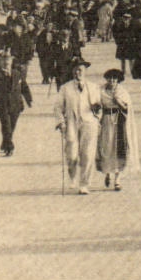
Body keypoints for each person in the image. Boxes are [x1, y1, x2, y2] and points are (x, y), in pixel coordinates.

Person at [55, 57, 102, 195]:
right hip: (71, 124)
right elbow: (58, 107)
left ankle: (84, 184)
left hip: (89, 124)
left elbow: (100, 105)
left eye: (80, 70)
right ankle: (73, 176)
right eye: (75, 70)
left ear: (85, 71)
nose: (77, 73)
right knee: (72, 155)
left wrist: (97, 118)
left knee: (88, 154)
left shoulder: (94, 87)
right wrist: (61, 123)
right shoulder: (65, 88)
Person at [95, 69, 140, 191]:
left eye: (115, 79)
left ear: (118, 80)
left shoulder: (122, 92)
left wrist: (118, 101)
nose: (112, 81)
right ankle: (108, 173)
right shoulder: (101, 90)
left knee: (119, 149)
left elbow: (127, 107)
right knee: (106, 147)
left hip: (119, 122)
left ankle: (117, 179)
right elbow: (96, 103)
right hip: (106, 121)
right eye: (110, 78)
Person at [0, 45, 25, 157]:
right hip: (2, 106)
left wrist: (29, 99)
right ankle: (10, 148)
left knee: (11, 127)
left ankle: (5, 142)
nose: (6, 62)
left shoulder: (17, 74)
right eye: (3, 60)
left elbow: (24, 87)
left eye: (8, 59)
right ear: (0, 62)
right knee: (6, 126)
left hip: (16, 106)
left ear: (11, 61)